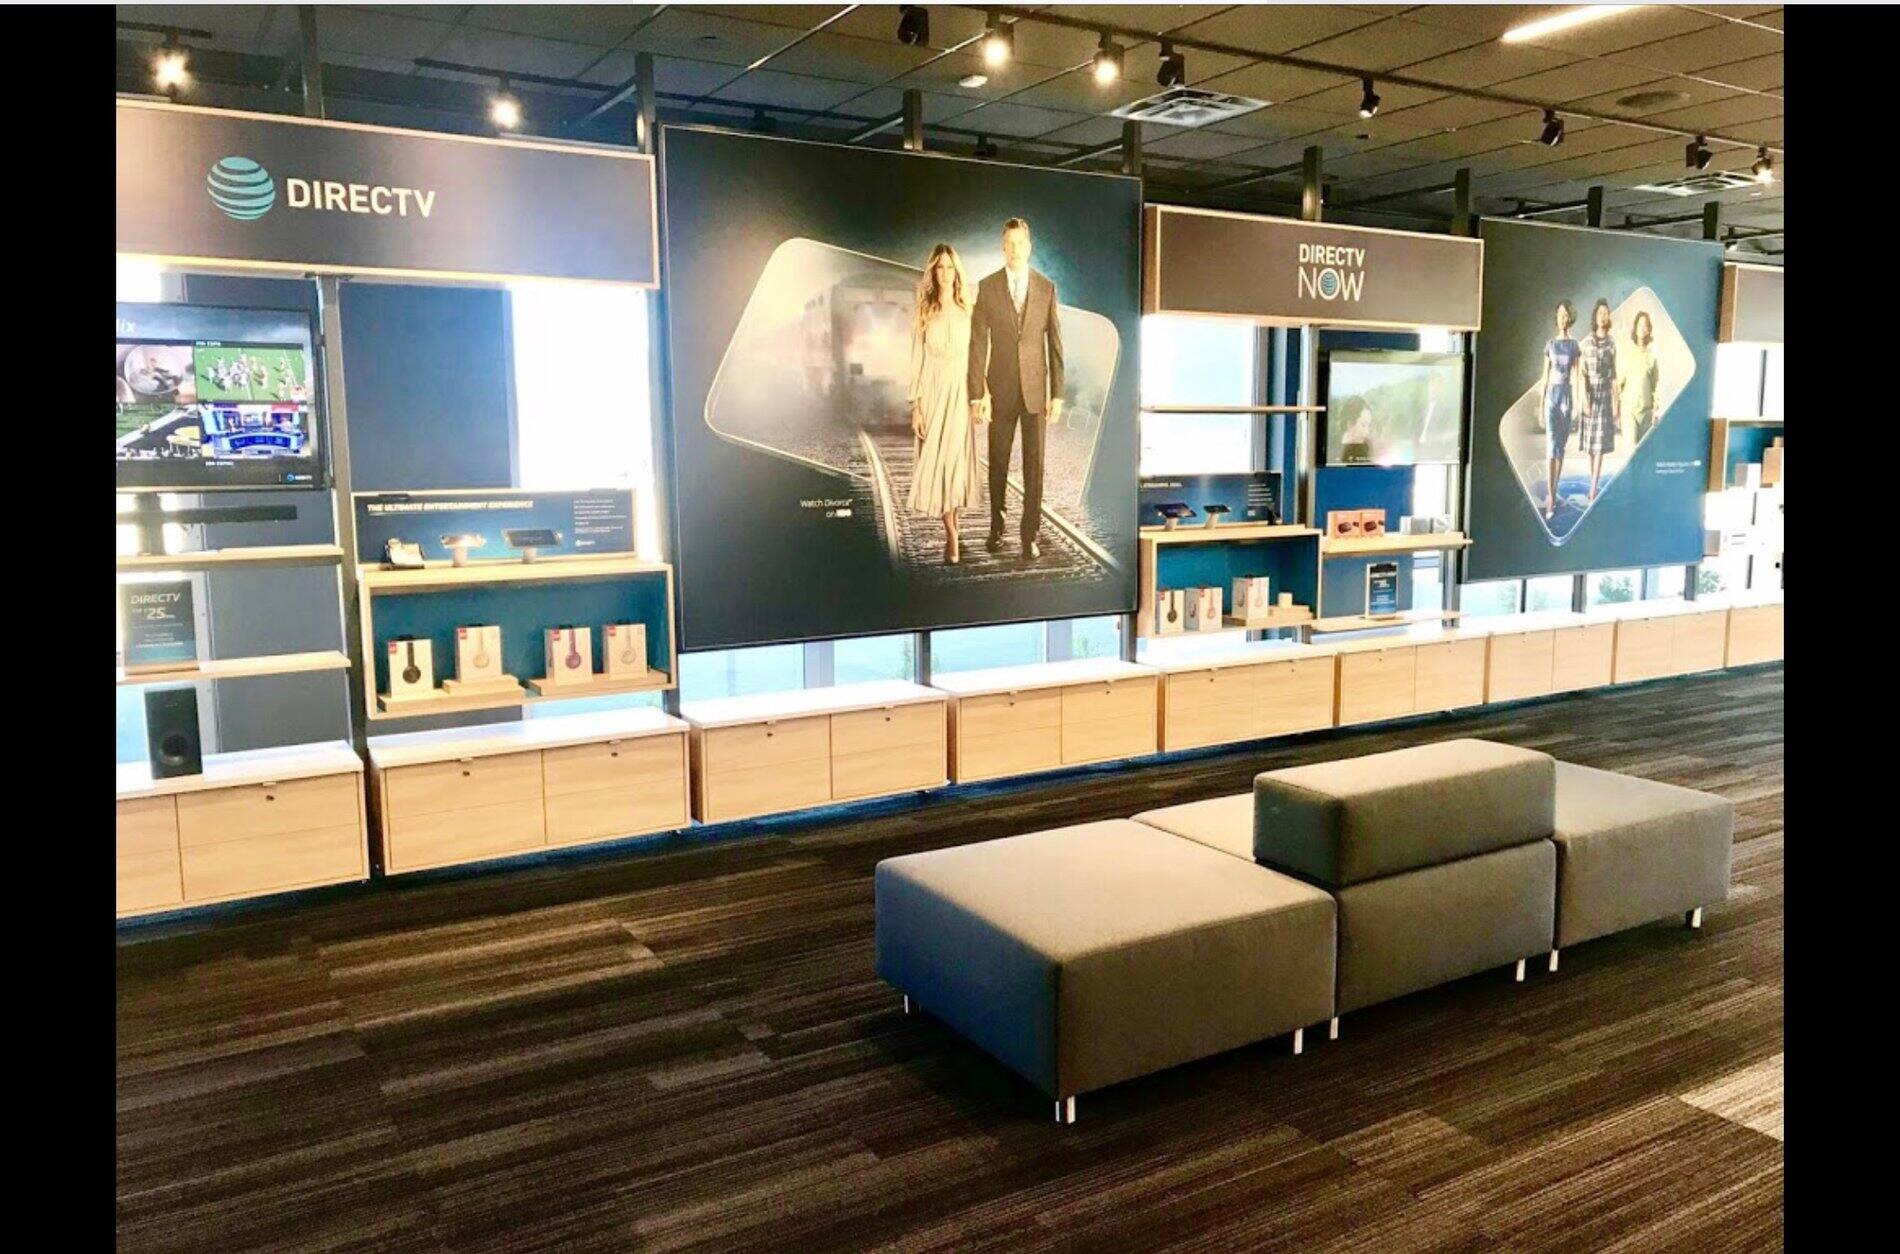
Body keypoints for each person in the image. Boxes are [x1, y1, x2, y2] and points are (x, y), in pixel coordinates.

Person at [967, 217, 1065, 562]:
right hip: (1001, 390)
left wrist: (1057, 394)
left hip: (1036, 391)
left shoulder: (1046, 288)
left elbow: (1055, 343)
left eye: (1020, 243)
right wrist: (977, 393)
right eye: (1009, 244)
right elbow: (977, 344)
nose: (1014, 249)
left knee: (1034, 466)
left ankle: (1030, 535)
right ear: (1002, 247)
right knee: (998, 462)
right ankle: (997, 527)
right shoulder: (987, 287)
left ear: (1029, 246)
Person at [905, 243, 981, 565]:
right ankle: (952, 533)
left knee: (956, 464)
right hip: (933, 392)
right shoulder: (924, 310)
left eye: (950, 267)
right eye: (940, 267)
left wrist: (982, 396)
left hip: (960, 392)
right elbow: (916, 358)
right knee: (939, 465)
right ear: (933, 272)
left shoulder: (968, 310)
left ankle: (954, 529)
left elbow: (979, 358)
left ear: (956, 272)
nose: (946, 273)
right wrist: (916, 406)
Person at [1538, 300, 1582, 520]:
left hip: (1566, 396)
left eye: (1566, 315)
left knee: (1560, 448)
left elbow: (1577, 375)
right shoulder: (1550, 345)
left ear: (1569, 318)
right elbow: (1544, 377)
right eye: (1560, 315)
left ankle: (1554, 491)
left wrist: (1578, 404)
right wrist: (1540, 405)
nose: (1563, 319)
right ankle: (1550, 496)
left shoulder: (1574, 345)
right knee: (1550, 447)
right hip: (1552, 398)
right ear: (1556, 318)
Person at [1578, 297, 1619, 503]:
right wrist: (1584, 399)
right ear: (1595, 316)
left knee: (1600, 446)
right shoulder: (1585, 343)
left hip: (1604, 397)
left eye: (1606, 313)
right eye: (1600, 313)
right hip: (1589, 396)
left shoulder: (1612, 343)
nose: (1603, 316)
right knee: (1590, 446)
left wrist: (1617, 404)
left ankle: (1593, 488)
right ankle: (1592, 480)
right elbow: (1581, 374)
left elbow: (1614, 376)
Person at [1622, 310, 1660, 446]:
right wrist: (1617, 408)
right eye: (1640, 325)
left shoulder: (1652, 356)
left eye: (1646, 325)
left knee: (1644, 452)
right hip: (1629, 411)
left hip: (1647, 412)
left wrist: (1656, 410)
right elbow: (1618, 383)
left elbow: (1656, 385)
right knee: (1631, 450)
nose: (1642, 328)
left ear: (1649, 330)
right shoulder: (1627, 353)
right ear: (1635, 328)